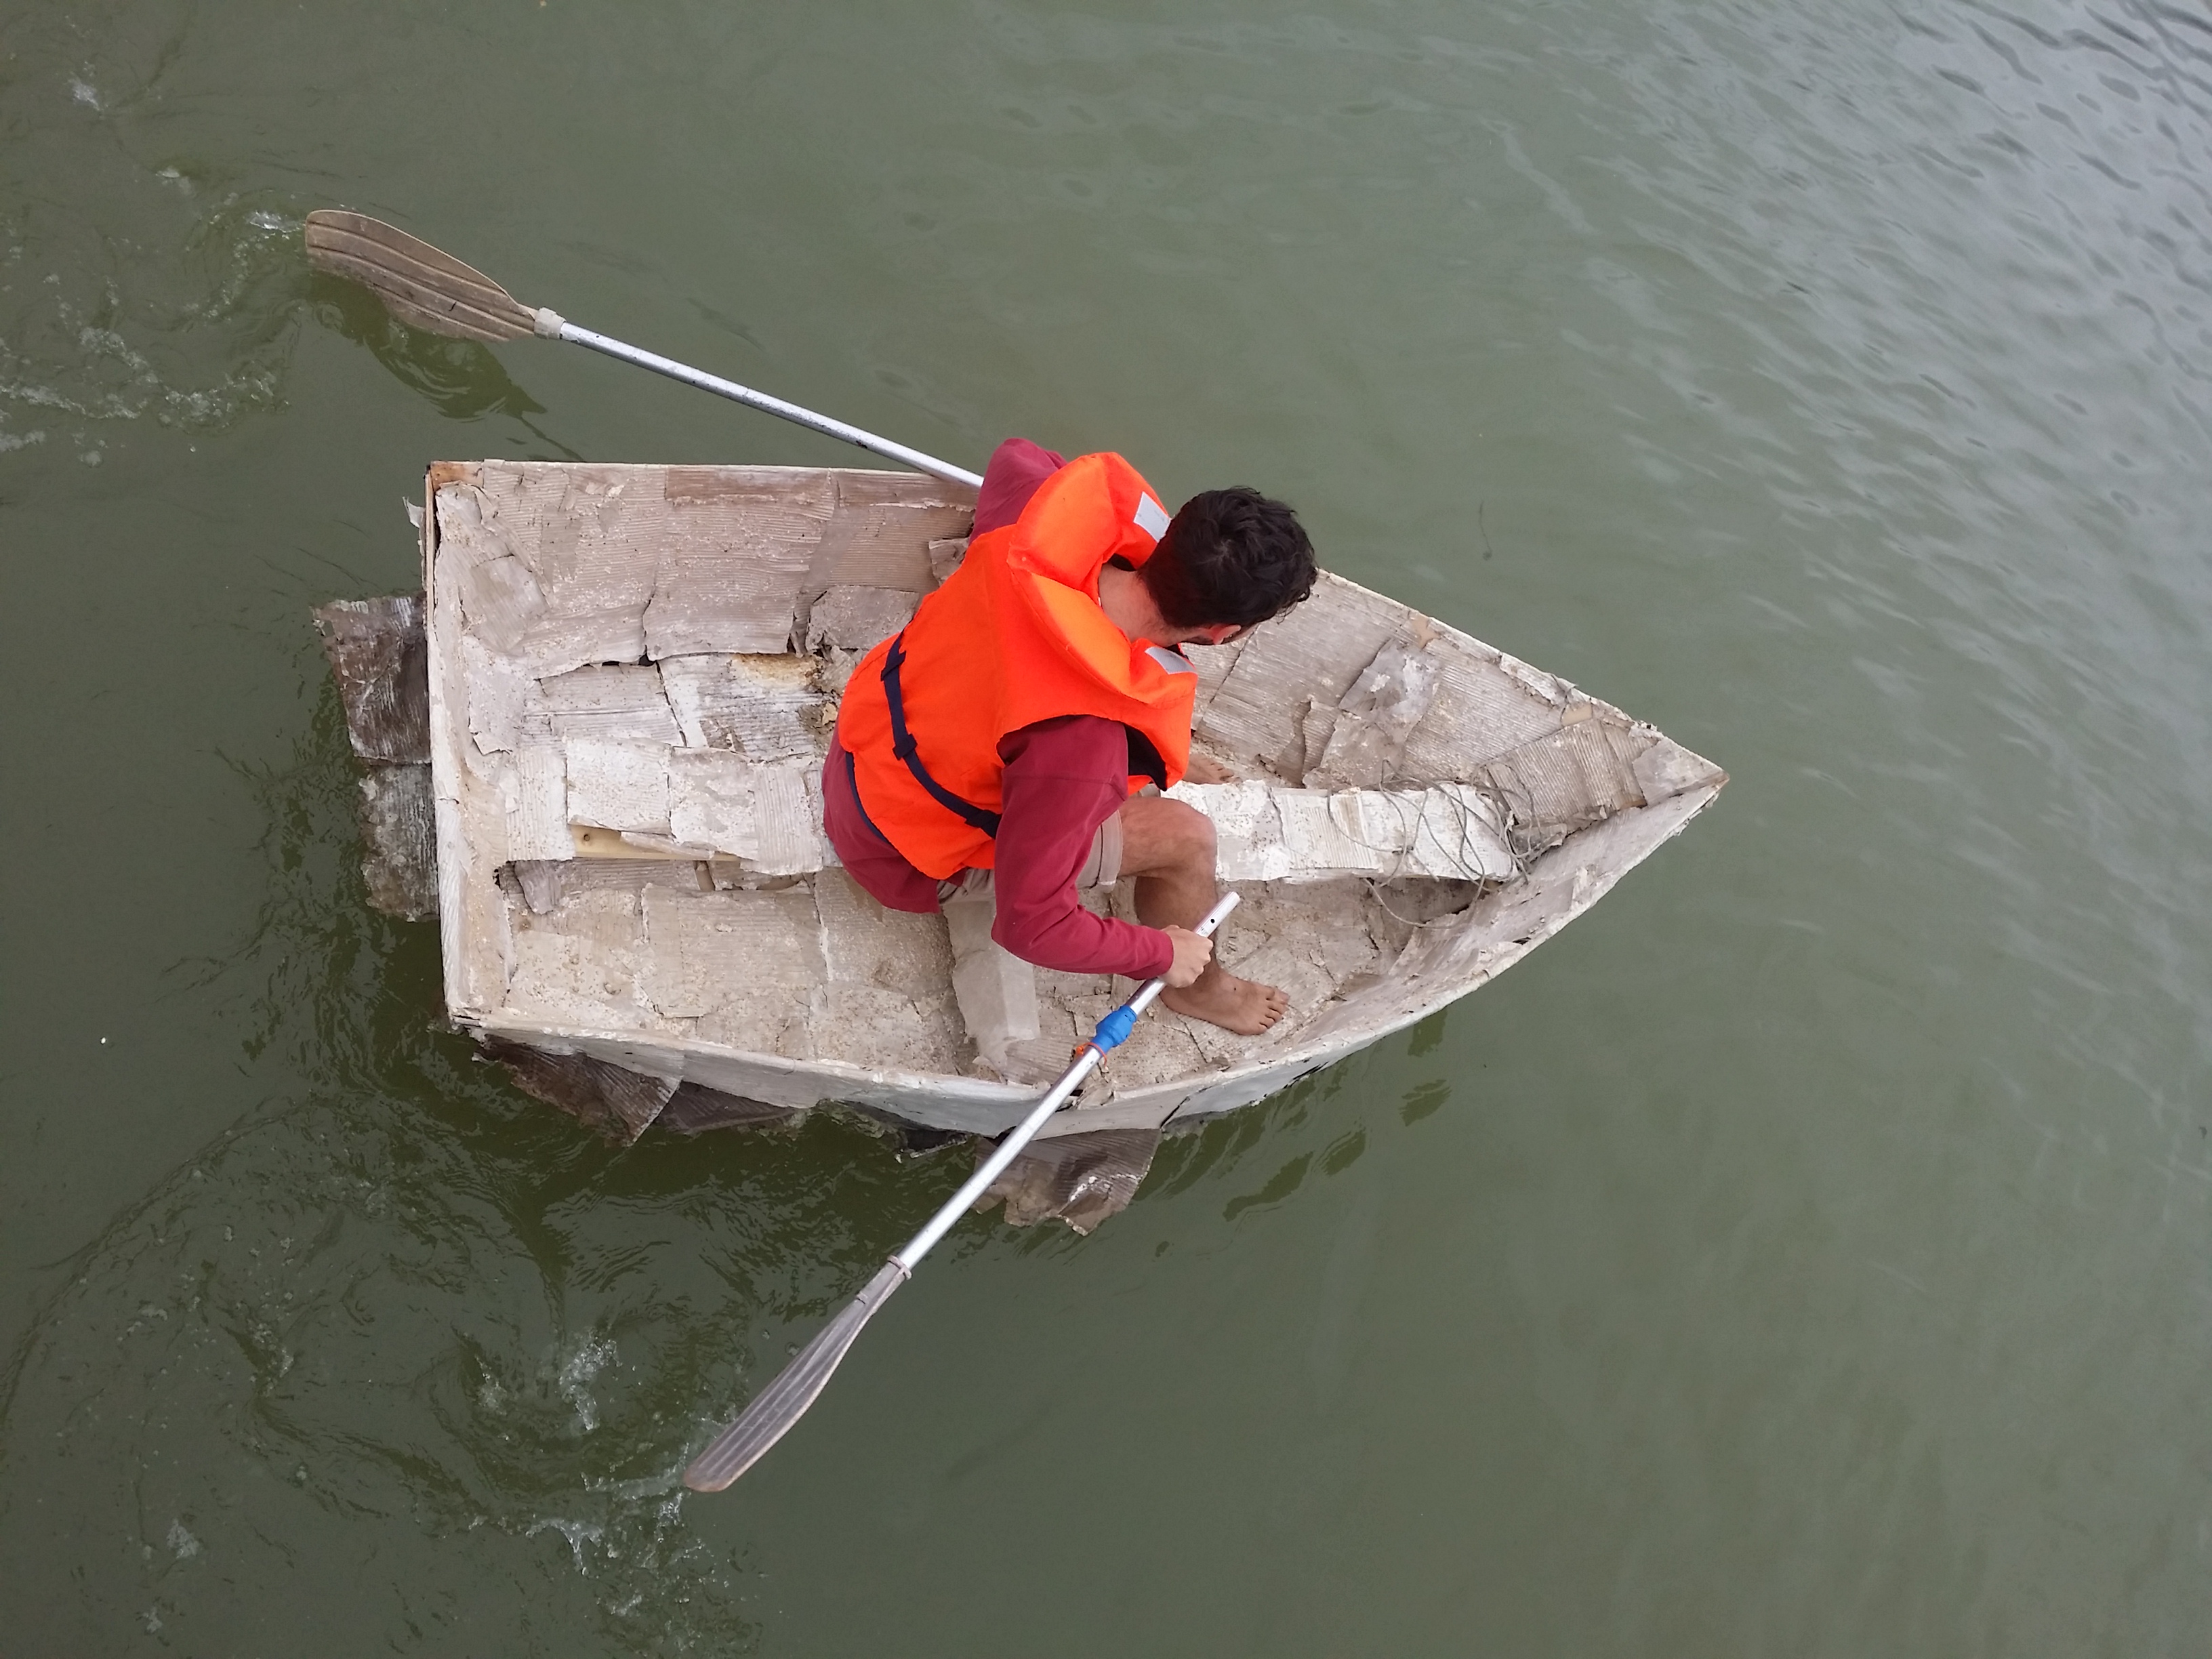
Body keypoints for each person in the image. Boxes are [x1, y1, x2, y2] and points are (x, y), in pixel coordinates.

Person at [822, 438, 1317, 1035]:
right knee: (1187, 836)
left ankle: (1157, 764)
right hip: (903, 857)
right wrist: (1162, 952)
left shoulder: (1024, 532)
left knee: (1116, 764)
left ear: (1168, 538)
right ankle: (1200, 992)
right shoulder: (1082, 746)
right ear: (1222, 632)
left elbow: (1018, 455)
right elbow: (1033, 925)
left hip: (866, 752)